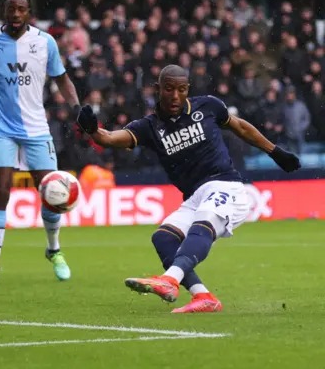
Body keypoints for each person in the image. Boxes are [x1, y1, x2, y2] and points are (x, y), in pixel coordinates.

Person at [76, 64, 301, 313]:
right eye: (169, 89)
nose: (175, 96)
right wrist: (92, 130)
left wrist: (275, 152)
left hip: (226, 185)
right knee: (163, 238)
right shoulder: (148, 127)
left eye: (181, 90)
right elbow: (107, 138)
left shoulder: (208, 106)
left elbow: (240, 127)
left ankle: (169, 280)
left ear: (188, 90)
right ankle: (203, 296)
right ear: (157, 89)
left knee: (201, 224)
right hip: (195, 195)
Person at [0, 0, 83, 286]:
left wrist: (77, 108)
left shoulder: (44, 42)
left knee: (50, 192)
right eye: (11, 9)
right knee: (1, 191)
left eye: (21, 9)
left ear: (29, 12)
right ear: (3, 10)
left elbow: (61, 77)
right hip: (1, 129)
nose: (16, 14)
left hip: (37, 129)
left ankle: (54, 250)